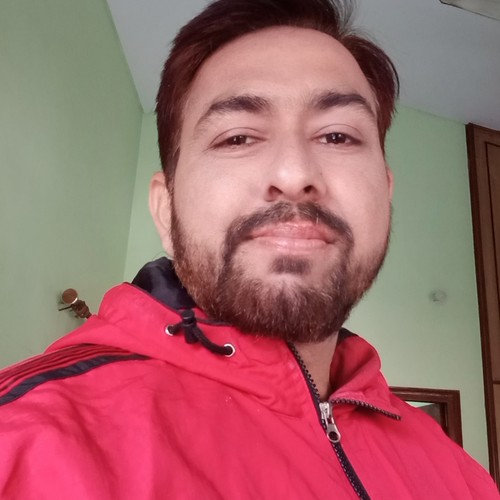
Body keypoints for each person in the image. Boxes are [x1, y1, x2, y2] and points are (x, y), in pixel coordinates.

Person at [0, 0, 498, 498]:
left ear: (385, 196)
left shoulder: (462, 476)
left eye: (337, 136)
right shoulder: (23, 444)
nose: (295, 174)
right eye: (237, 137)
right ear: (165, 211)